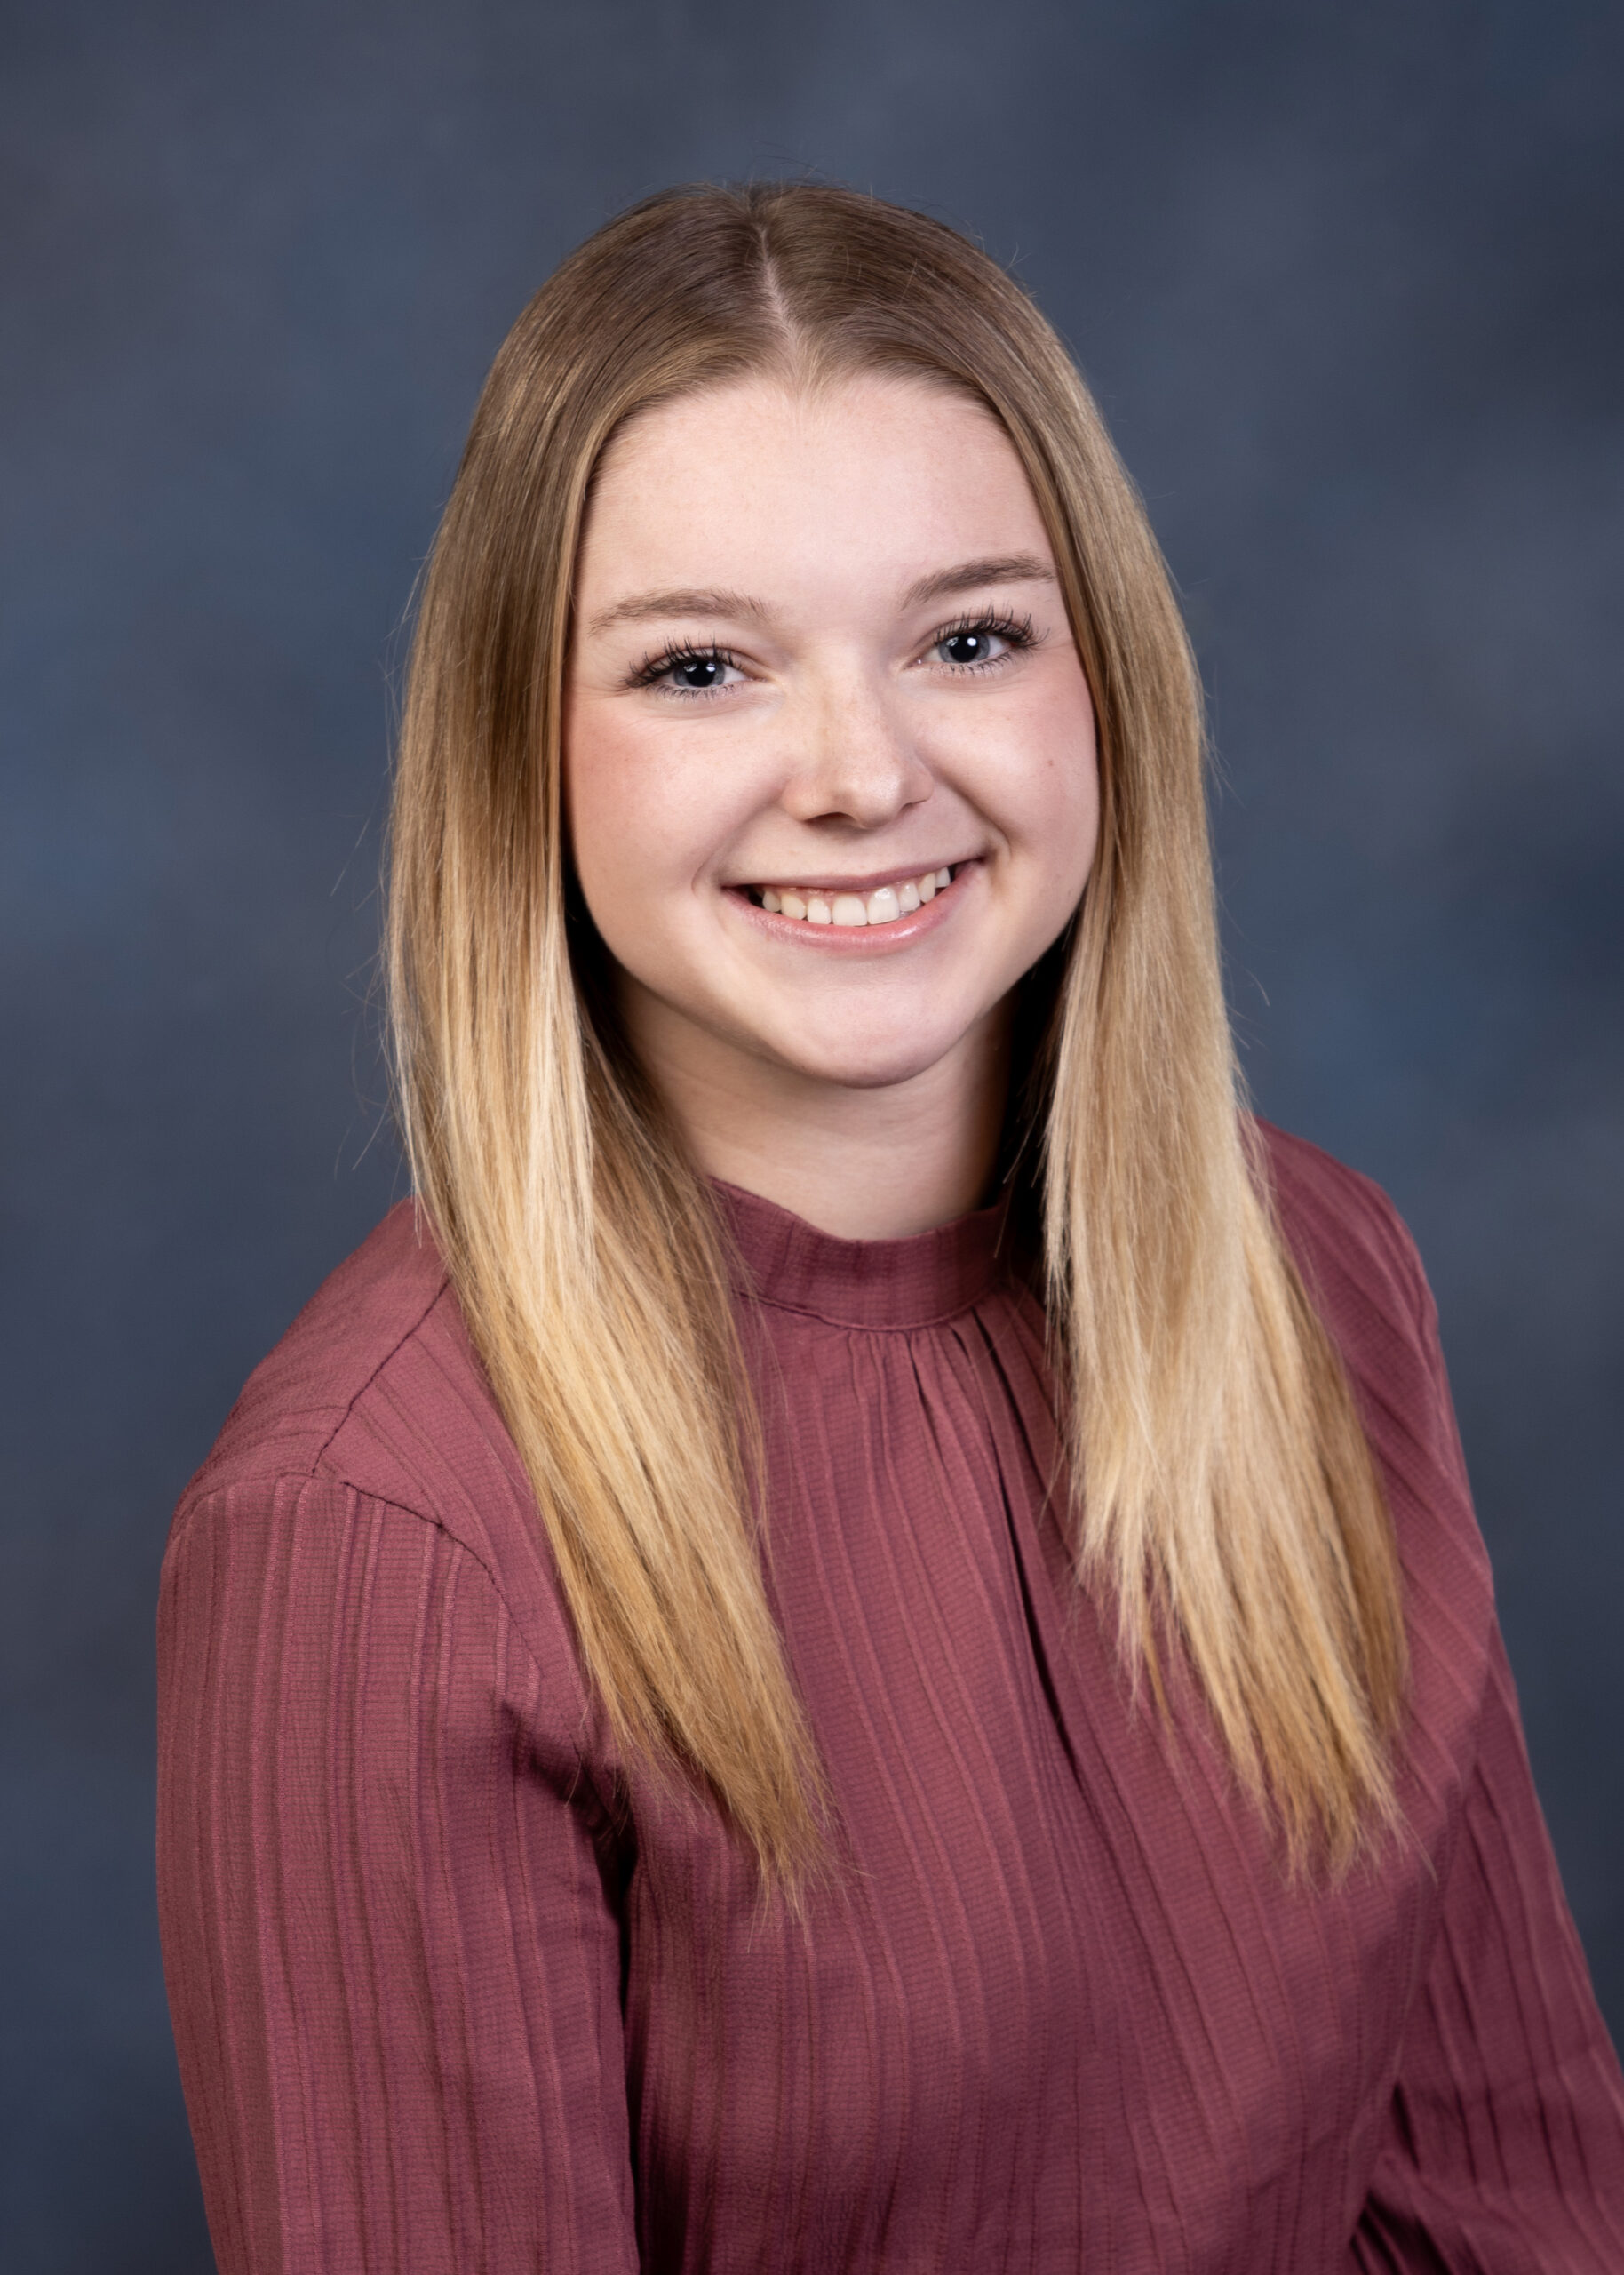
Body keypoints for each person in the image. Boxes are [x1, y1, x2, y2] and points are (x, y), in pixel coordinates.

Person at [155, 181, 1624, 2272]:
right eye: (696, 668)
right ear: (521, 759)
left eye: (965, 638)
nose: (858, 772)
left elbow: (1521, 2207)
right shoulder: (376, 1529)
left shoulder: (1317, 1277)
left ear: (1100, 682)